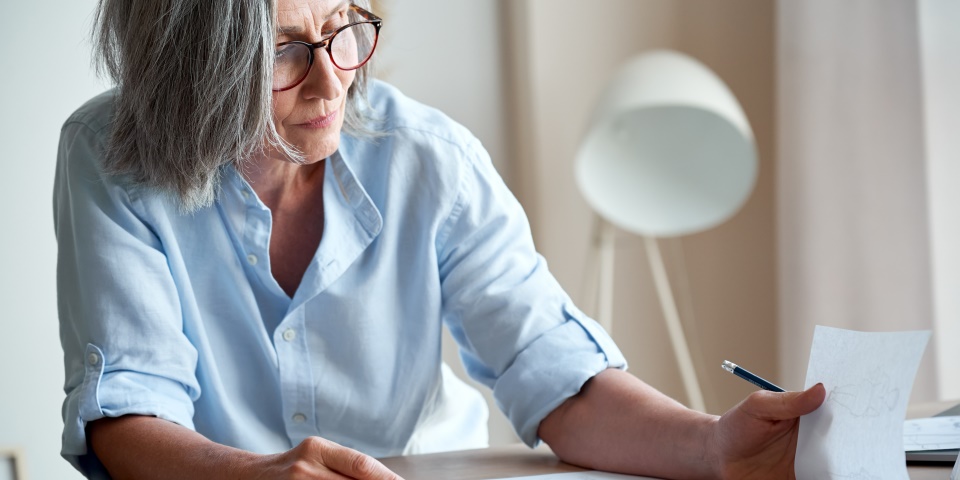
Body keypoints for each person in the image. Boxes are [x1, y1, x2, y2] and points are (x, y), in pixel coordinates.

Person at [54, 0, 826, 479]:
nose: (332, 83)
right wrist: (253, 476)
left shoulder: (430, 156)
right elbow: (128, 413)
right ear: (195, 66)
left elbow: (551, 371)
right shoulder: (109, 158)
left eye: (343, 29)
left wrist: (715, 447)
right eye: (283, 50)